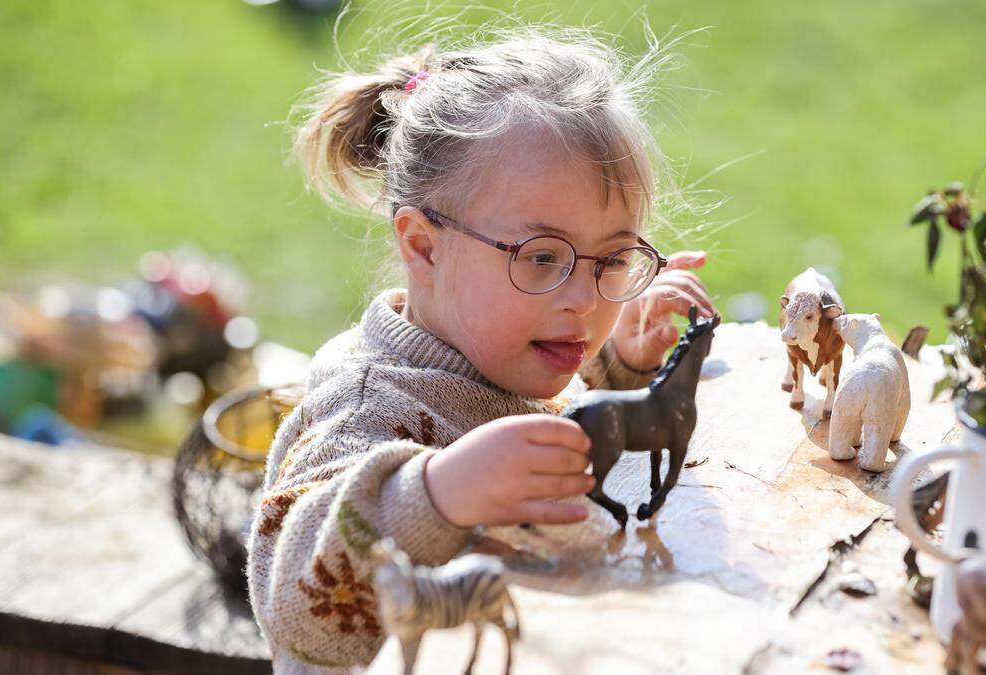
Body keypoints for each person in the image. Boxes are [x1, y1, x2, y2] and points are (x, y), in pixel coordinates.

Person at [248, 27, 714, 672]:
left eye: (611, 260)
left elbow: (552, 413)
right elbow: (295, 610)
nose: (585, 300)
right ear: (424, 247)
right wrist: (435, 494)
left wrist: (618, 364)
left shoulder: (505, 349)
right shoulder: (367, 410)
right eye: (543, 256)